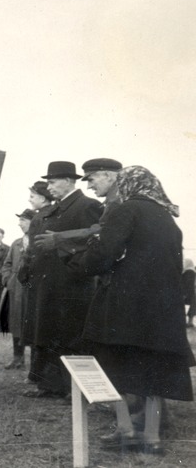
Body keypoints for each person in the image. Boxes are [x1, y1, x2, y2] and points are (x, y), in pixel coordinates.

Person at [73, 166, 194, 455]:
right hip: (164, 308)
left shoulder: (126, 210)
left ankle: (125, 430)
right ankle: (152, 437)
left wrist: (84, 261)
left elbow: (103, 255)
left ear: (128, 185)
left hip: (125, 305)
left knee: (114, 364)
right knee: (155, 370)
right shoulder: (168, 218)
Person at [23, 161, 101, 398]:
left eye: (53, 181)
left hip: (72, 283)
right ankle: (50, 385)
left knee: (70, 335)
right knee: (48, 332)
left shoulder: (89, 205)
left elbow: (94, 238)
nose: (49, 186)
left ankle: (72, 390)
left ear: (69, 181)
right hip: (49, 283)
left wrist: (62, 244)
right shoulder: (56, 208)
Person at [18, 181, 55, 383]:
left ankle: (38, 376)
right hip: (42, 277)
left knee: (36, 327)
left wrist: (24, 270)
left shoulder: (41, 217)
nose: (29, 199)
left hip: (37, 276)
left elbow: (33, 251)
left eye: (32, 196)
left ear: (42, 198)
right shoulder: (49, 214)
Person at [0, 209, 34, 370]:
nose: (20, 224)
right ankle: (17, 359)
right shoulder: (16, 243)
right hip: (15, 290)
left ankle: (36, 364)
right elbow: (7, 264)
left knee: (32, 324)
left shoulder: (38, 241)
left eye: (23, 220)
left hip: (32, 290)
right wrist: (7, 280)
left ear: (33, 222)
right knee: (15, 324)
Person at [183, 258, 195, 328]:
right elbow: (189, 285)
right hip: (189, 293)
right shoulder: (191, 272)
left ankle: (189, 322)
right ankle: (190, 322)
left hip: (185, 292)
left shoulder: (188, 272)